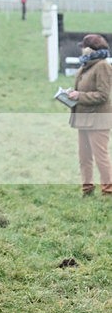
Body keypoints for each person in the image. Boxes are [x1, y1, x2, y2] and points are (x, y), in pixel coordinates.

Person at [67, 33, 112, 196]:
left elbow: (103, 95)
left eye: (83, 47)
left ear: (90, 49)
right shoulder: (86, 65)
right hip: (84, 117)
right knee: (84, 157)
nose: (81, 50)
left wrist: (79, 96)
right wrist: (71, 94)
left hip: (98, 119)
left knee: (101, 157)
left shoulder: (102, 66)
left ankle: (108, 190)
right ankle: (87, 189)